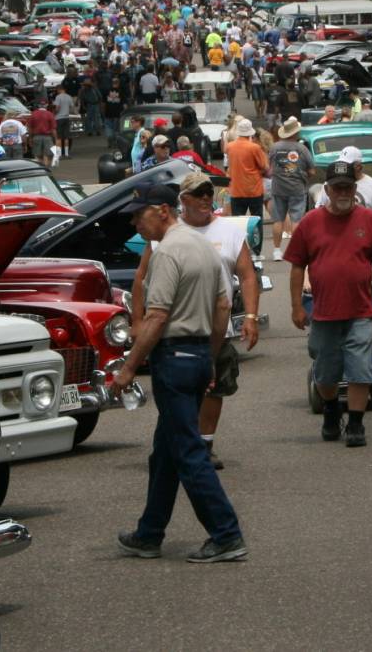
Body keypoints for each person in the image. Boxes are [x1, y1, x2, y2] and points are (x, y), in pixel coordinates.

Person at [109, 184, 246, 564]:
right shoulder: (203, 246)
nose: (136, 223)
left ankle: (226, 534)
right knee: (166, 452)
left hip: (175, 356)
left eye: (140, 214)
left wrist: (129, 367)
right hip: (199, 353)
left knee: (187, 451)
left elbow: (156, 317)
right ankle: (149, 533)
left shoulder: (167, 251)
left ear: (163, 211)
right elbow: (222, 307)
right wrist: (210, 357)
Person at [130, 172, 260, 471]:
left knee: (215, 386)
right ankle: (178, 445)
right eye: (198, 195)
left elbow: (247, 275)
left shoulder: (228, 231)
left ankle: (205, 442)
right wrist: (138, 321)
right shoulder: (164, 235)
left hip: (217, 326)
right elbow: (140, 279)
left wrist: (251, 317)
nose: (205, 200)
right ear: (183, 201)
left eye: (208, 194)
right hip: (175, 331)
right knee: (179, 389)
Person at [286, 160, 372, 448]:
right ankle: (331, 410)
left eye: (347, 187)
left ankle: (356, 423)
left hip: (360, 310)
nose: (343, 192)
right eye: (337, 188)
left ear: (354, 189)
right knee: (325, 372)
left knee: (360, 368)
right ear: (328, 190)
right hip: (323, 312)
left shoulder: (368, 219)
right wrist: (296, 305)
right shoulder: (310, 222)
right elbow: (297, 266)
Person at [268, 118, 315, 262]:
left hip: (278, 187)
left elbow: (269, 167)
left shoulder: (274, 147)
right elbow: (312, 170)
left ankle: (277, 251)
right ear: (296, 132)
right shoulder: (302, 149)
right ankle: (296, 250)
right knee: (296, 219)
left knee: (278, 220)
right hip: (297, 187)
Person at [224, 120, 268, 218]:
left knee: (238, 222)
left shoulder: (230, 146)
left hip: (236, 190)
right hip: (254, 190)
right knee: (256, 220)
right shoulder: (255, 148)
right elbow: (264, 166)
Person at [27, 97, 56, 168]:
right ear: (47, 105)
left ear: (38, 105)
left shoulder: (33, 114)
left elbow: (30, 128)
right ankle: (46, 167)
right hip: (47, 137)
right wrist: (55, 139)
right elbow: (53, 129)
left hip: (36, 136)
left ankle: (40, 168)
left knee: (37, 155)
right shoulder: (50, 114)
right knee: (48, 154)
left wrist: (30, 138)